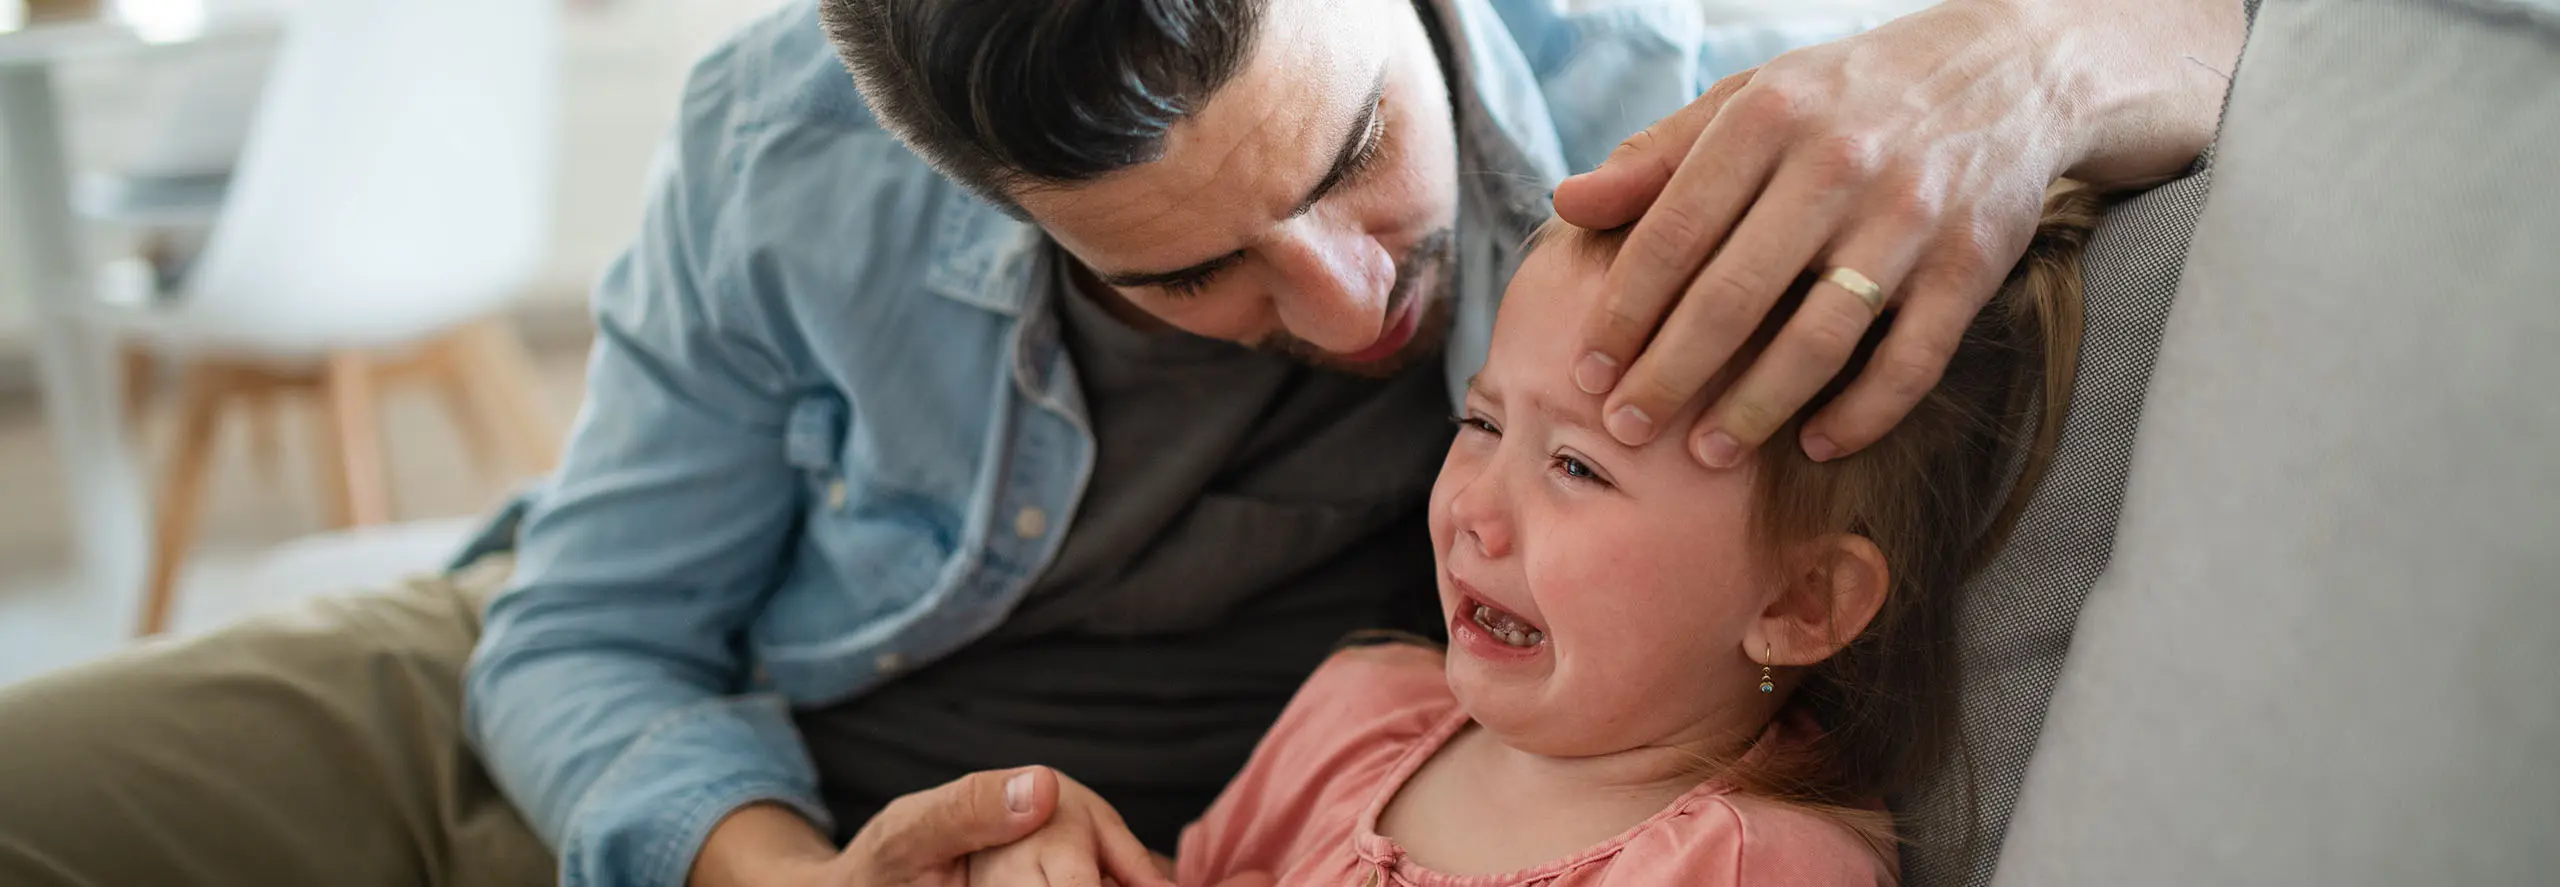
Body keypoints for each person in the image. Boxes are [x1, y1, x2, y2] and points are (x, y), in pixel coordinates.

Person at [0, 0, 2244, 885]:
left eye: (1353, 157)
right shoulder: (789, 138)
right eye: (1182, 273)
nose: (1352, 303)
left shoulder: (1667, 84)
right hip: (654, 726)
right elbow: (585, 628)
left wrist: (2039, 54)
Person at [968, 187, 2101, 886]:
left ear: (1799, 603)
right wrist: (1074, 850)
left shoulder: (1745, 863)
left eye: (1576, 466)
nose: (1470, 506)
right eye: (1481, 421)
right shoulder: (1356, 714)